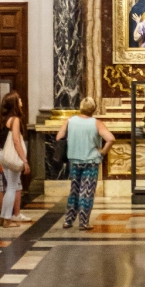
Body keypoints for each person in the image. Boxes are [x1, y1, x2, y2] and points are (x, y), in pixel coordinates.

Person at [56, 97, 115, 231]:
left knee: (74, 191)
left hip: (74, 160)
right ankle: (84, 222)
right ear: (93, 109)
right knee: (86, 192)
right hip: (91, 161)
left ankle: (68, 220)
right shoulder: (97, 123)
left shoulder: (70, 120)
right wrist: (102, 152)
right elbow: (110, 139)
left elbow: (59, 137)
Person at [0, 92, 31, 228]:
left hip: (1, 154)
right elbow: (16, 141)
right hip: (11, 155)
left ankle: (3, 218)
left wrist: (0, 138)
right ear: (14, 103)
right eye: (18, 99)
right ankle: (7, 219)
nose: (21, 100)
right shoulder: (15, 120)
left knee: (10, 187)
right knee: (12, 187)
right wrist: (24, 160)